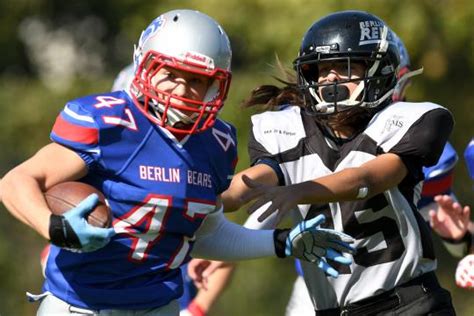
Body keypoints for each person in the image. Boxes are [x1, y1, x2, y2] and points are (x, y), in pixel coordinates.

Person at [0, 9, 356, 315]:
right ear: (145, 65)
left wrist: (280, 243)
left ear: (217, 86)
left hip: (160, 306)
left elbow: (205, 234)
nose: (183, 91)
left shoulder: (216, 144)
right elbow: (16, 181)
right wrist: (53, 226)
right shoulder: (109, 123)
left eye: (198, 81)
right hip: (79, 306)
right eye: (171, 74)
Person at [191, 10, 457, 314]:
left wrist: (301, 191)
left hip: (408, 305)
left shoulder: (403, 121)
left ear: (377, 72)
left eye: (343, 68)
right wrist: (200, 201)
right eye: (321, 70)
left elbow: (368, 179)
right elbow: (253, 182)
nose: (329, 79)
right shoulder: (288, 129)